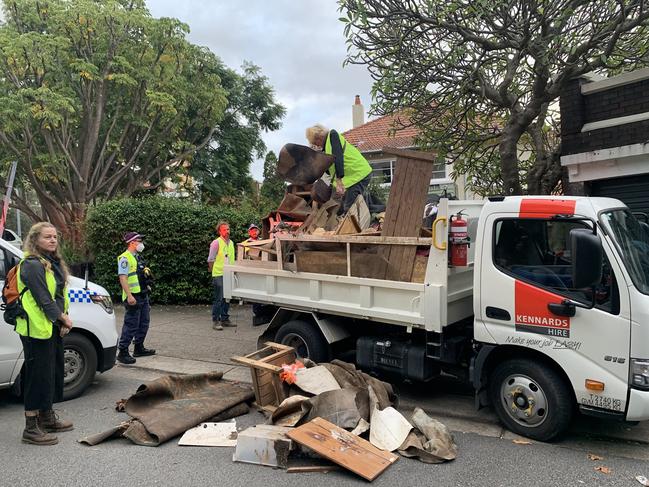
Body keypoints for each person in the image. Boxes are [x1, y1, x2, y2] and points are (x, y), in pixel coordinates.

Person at [15, 222, 73, 445]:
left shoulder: (53, 263)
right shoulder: (31, 265)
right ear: (35, 239)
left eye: (55, 237)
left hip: (51, 327)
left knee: (51, 374)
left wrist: (63, 317)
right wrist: (63, 318)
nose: (52, 240)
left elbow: (59, 294)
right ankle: (30, 428)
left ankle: (47, 418)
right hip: (35, 329)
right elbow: (43, 299)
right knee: (36, 377)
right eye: (47, 237)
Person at [305, 123, 372, 213]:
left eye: (315, 142)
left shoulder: (333, 135)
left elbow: (338, 156)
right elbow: (329, 171)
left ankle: (356, 224)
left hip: (359, 173)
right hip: (354, 177)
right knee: (341, 207)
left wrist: (339, 180)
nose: (316, 146)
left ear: (319, 137)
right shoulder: (326, 149)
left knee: (349, 207)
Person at [116, 231, 155, 365]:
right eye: (139, 241)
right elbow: (123, 278)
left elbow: (140, 275)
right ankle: (123, 352)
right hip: (133, 296)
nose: (141, 243)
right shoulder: (125, 258)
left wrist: (147, 286)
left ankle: (139, 348)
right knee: (131, 324)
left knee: (144, 322)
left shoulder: (137, 257)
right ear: (132, 242)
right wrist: (129, 296)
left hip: (142, 294)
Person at [208, 222, 236, 330]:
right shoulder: (216, 243)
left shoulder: (231, 243)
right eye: (224, 230)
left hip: (229, 273)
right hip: (218, 273)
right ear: (220, 231)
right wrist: (213, 273)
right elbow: (210, 259)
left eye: (228, 229)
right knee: (218, 299)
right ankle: (216, 321)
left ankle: (224, 319)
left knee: (227, 298)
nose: (227, 231)